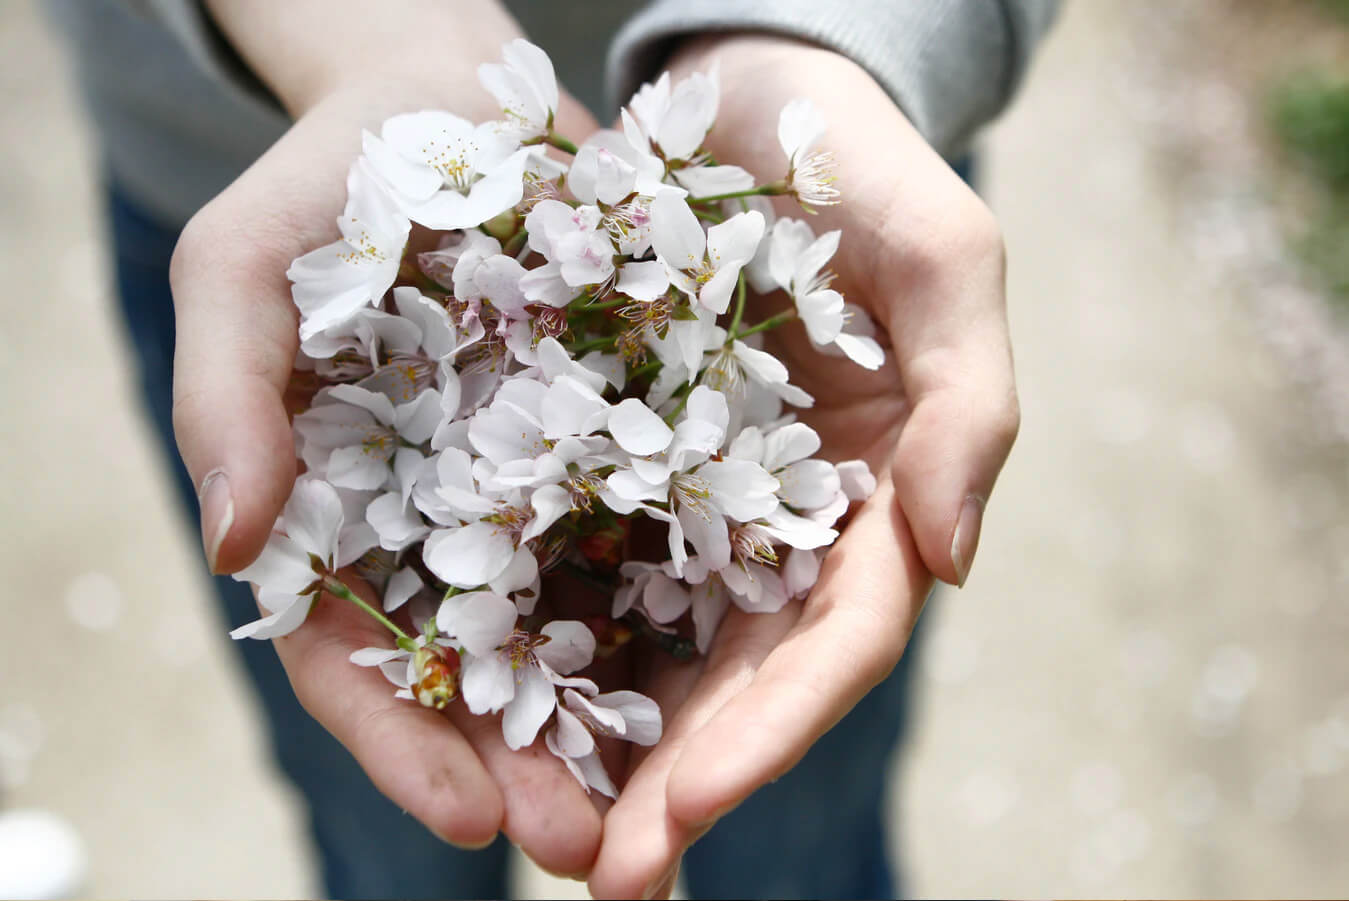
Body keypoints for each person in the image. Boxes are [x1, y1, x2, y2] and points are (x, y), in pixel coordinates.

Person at [46, 1, 1055, 897]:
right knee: (392, 847)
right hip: (238, 160)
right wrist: (378, 36)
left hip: (828, 105)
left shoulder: (740, 261)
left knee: (796, 844)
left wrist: (840, 41)